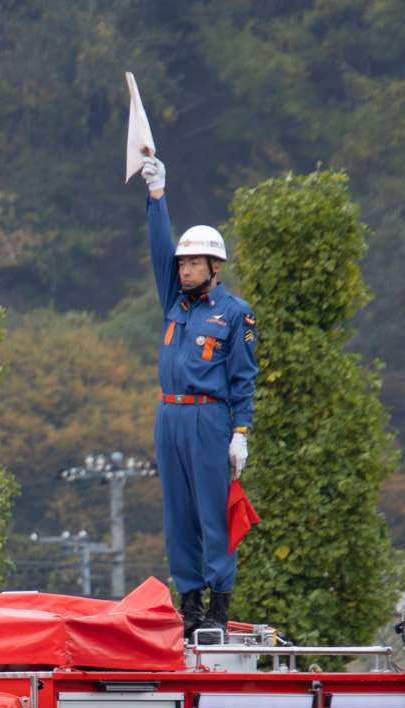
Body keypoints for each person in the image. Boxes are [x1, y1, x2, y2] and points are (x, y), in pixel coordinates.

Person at [137, 152, 256, 636]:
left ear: (214, 265)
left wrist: (240, 431)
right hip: (169, 416)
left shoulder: (234, 312)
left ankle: (218, 609)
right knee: (178, 514)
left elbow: (243, 377)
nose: (183, 270)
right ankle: (189, 605)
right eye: (182, 263)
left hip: (209, 417)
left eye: (192, 263)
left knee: (212, 514)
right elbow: (157, 247)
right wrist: (157, 197)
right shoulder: (175, 303)